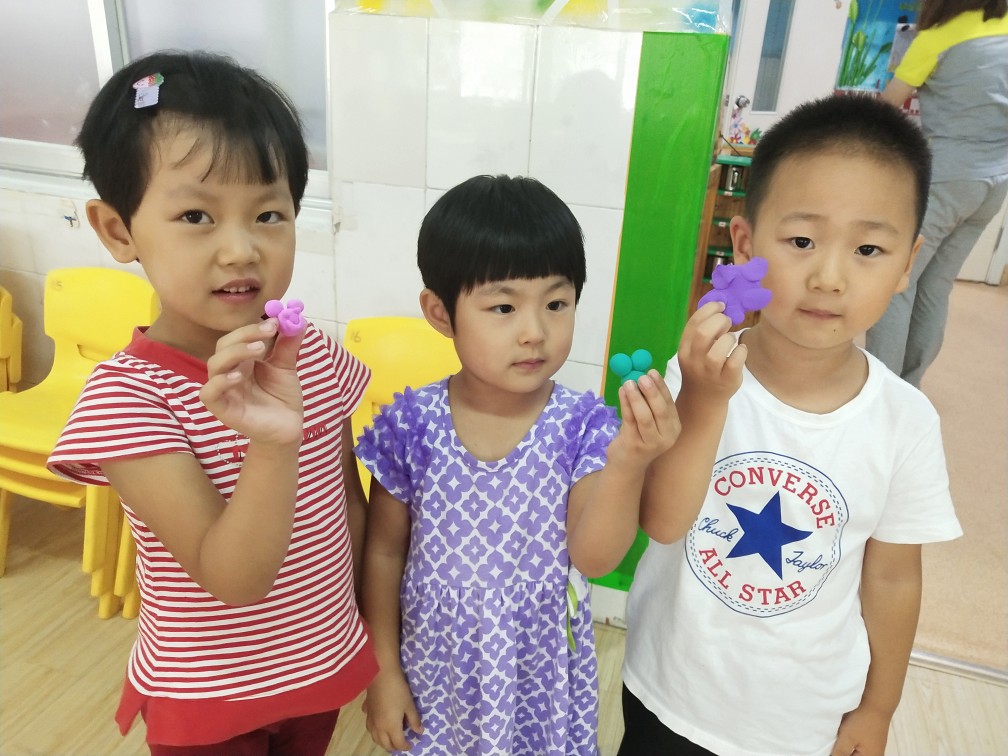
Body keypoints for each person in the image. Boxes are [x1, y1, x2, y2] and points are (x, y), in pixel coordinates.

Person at [46, 51, 377, 755]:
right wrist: (273, 442)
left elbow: (345, 504)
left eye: (268, 214)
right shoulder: (128, 399)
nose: (240, 249)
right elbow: (233, 579)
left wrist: (373, 633)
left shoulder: (312, 353)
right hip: (210, 697)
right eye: (196, 214)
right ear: (118, 230)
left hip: (319, 668)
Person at [619, 95, 963, 756]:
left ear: (907, 265)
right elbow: (661, 522)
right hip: (669, 692)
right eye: (802, 241)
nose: (829, 277)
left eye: (868, 248)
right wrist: (707, 401)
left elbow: (893, 578)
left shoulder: (907, 422)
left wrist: (878, 709)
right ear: (745, 245)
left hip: (801, 720)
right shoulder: (699, 372)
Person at [355, 174, 743, 755]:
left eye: (557, 304)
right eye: (503, 307)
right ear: (440, 312)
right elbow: (384, 554)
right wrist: (383, 671)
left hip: (538, 679)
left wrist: (629, 461)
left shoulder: (583, 427)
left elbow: (594, 557)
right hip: (436, 672)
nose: (535, 332)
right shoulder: (411, 425)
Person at [866, 0, 1008, 387]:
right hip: (995, 182)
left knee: (897, 282)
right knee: (936, 286)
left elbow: (888, 106)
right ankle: (909, 387)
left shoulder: (938, 36)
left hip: (944, 178)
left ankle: (883, 390)